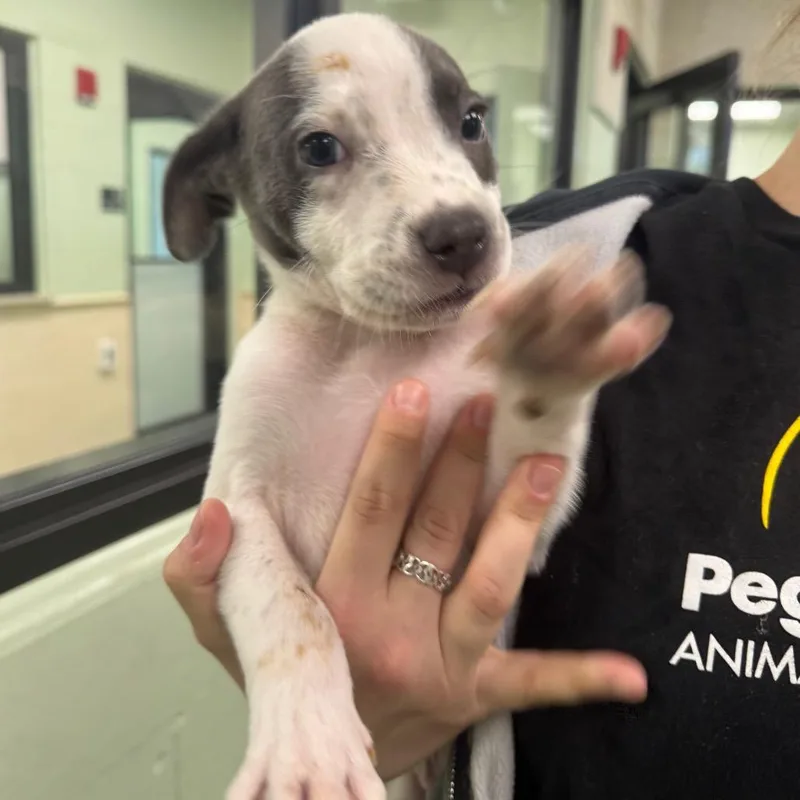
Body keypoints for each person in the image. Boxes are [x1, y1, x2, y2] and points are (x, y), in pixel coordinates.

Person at [164, 17, 800, 800]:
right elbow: (238, 527)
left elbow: (524, 524)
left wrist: (544, 402)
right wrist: (304, 690)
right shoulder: (580, 262)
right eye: (323, 149)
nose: (450, 206)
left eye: (465, 125)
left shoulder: (532, 287)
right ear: (222, 178)